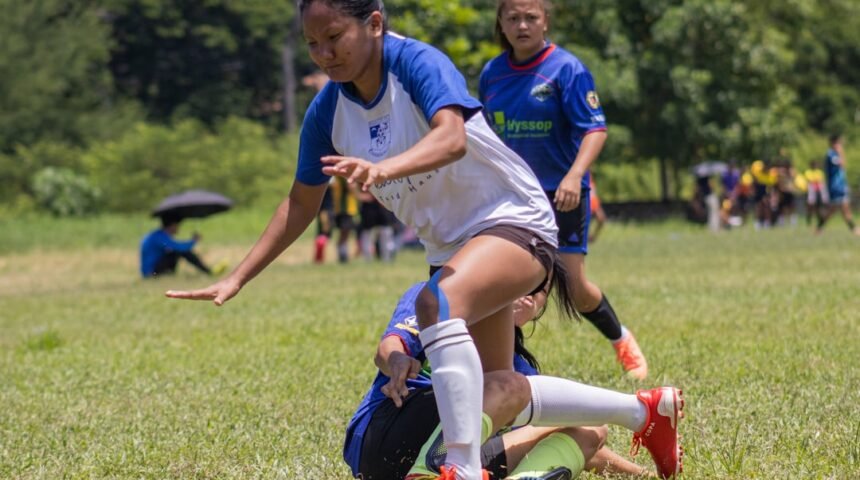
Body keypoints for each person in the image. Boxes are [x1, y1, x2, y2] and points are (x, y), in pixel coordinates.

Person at [166, 2, 579, 479]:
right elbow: (301, 203)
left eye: (334, 37)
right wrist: (237, 277)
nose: (323, 54)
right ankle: (640, 413)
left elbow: (452, 139)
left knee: (433, 306)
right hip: (450, 246)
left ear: (375, 24)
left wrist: (383, 168)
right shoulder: (328, 111)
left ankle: (463, 470)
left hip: (513, 216)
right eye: (312, 44)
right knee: (496, 387)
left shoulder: (415, 63)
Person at [345, 283, 683, 480]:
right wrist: (398, 361)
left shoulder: (521, 369)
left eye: (537, 291)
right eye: (521, 283)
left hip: (457, 456)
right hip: (386, 433)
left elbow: (589, 447)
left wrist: (643, 475)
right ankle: (429, 469)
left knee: (592, 428)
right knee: (501, 388)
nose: (526, 294)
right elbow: (389, 346)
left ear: (539, 309)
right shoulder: (439, 297)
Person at [479, 0, 648, 379]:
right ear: (501, 25)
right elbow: (486, 135)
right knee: (507, 282)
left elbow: (595, 129)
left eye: (531, 18)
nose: (522, 25)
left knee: (574, 289)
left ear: (545, 22)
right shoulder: (492, 74)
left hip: (562, 193)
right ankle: (505, 369)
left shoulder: (567, 69)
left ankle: (621, 339)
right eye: (513, 18)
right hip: (514, 196)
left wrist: (575, 176)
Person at [140, 216, 216, 278]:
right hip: (151, 273)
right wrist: (193, 241)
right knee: (179, 252)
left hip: (152, 270)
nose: (178, 228)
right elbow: (180, 248)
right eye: (177, 225)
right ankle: (208, 271)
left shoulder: (156, 235)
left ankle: (207, 271)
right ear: (172, 225)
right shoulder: (160, 237)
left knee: (174, 252)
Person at [816, 134, 860, 235]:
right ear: (834, 143)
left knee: (833, 209)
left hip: (839, 186)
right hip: (835, 187)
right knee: (843, 207)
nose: (841, 145)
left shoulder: (833, 154)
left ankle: (819, 227)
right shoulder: (831, 155)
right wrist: (841, 152)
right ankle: (854, 229)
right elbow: (842, 164)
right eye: (839, 143)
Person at [804, 160, 828, 227]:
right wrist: (816, 180)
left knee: (819, 207)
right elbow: (810, 180)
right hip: (811, 191)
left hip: (819, 191)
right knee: (810, 206)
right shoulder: (808, 172)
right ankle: (809, 220)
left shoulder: (820, 172)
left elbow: (821, 181)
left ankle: (820, 220)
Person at [587, 175, 606, 243]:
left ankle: (592, 237)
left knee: (601, 218)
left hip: (592, 198)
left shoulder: (589, 176)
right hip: (587, 197)